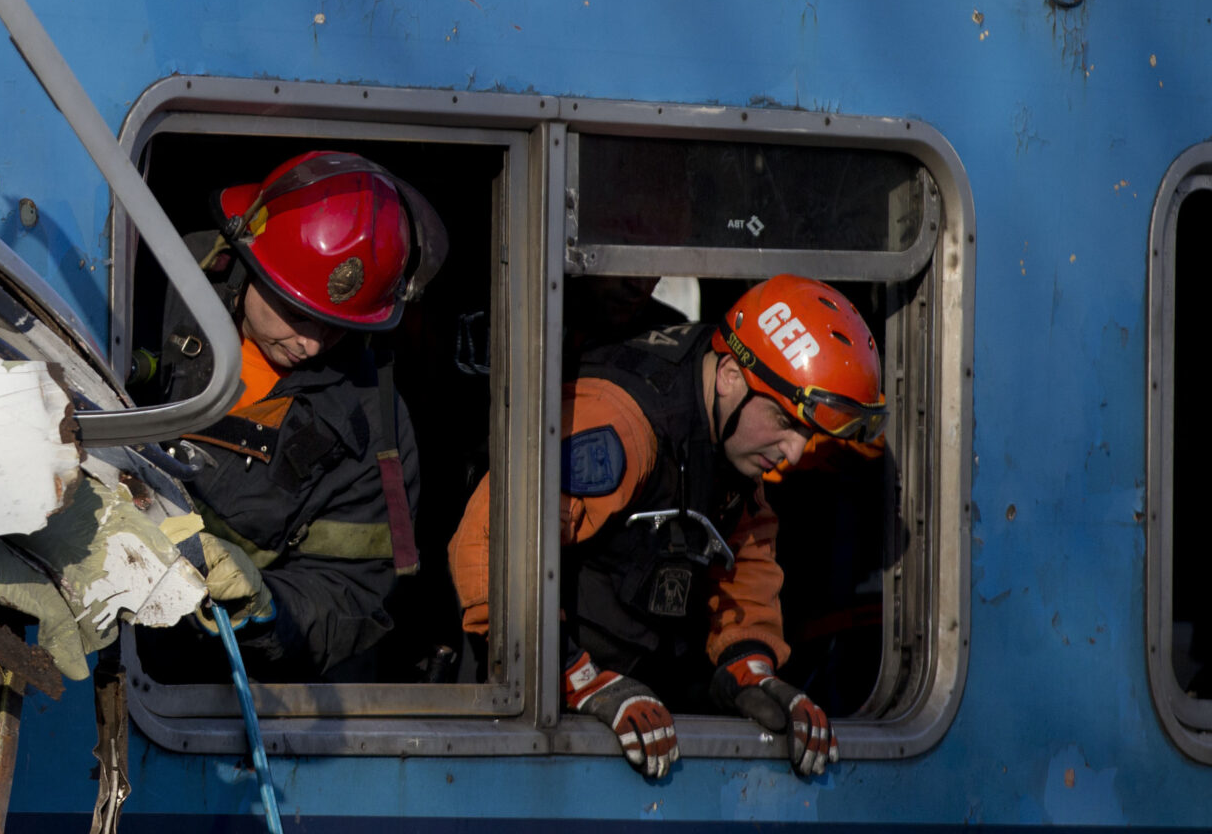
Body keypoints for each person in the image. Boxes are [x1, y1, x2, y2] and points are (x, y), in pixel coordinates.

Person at [450, 274, 885, 780]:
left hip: (634, 698)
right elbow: (490, 538)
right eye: (787, 423)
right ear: (730, 376)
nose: (793, 453)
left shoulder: (733, 437)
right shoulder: (623, 425)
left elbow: (745, 549)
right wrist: (571, 676)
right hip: (530, 709)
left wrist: (751, 666)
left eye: (805, 433)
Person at [131, 151, 446, 682]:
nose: (312, 343)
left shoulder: (372, 426)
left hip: (179, 684)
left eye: (339, 325)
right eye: (298, 312)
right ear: (248, 262)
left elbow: (351, 593)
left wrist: (267, 607)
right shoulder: (146, 286)